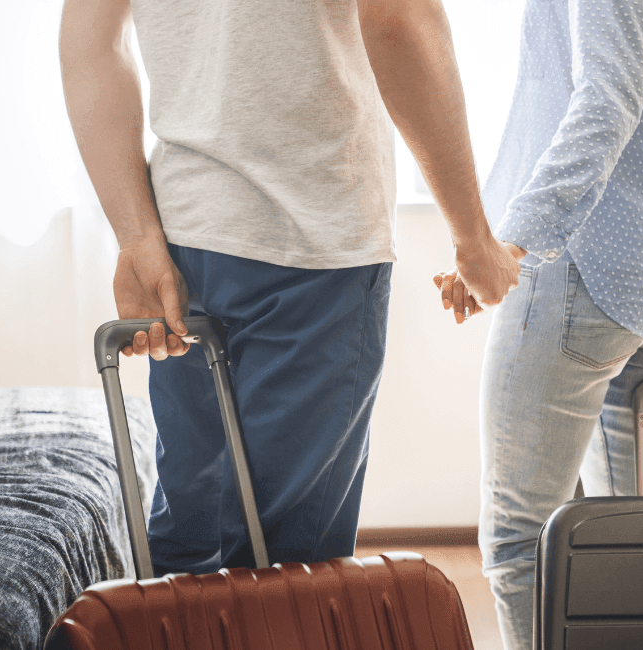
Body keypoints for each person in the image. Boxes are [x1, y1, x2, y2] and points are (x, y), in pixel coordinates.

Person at [60, 0, 520, 576]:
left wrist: (138, 237)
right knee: (288, 568)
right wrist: (473, 236)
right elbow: (398, 20)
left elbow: (90, 38)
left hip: (185, 242)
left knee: (190, 539)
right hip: (314, 233)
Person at [434, 0, 643, 647]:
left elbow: (607, 102)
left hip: (573, 264)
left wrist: (509, 244)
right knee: (637, 542)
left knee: (522, 537)